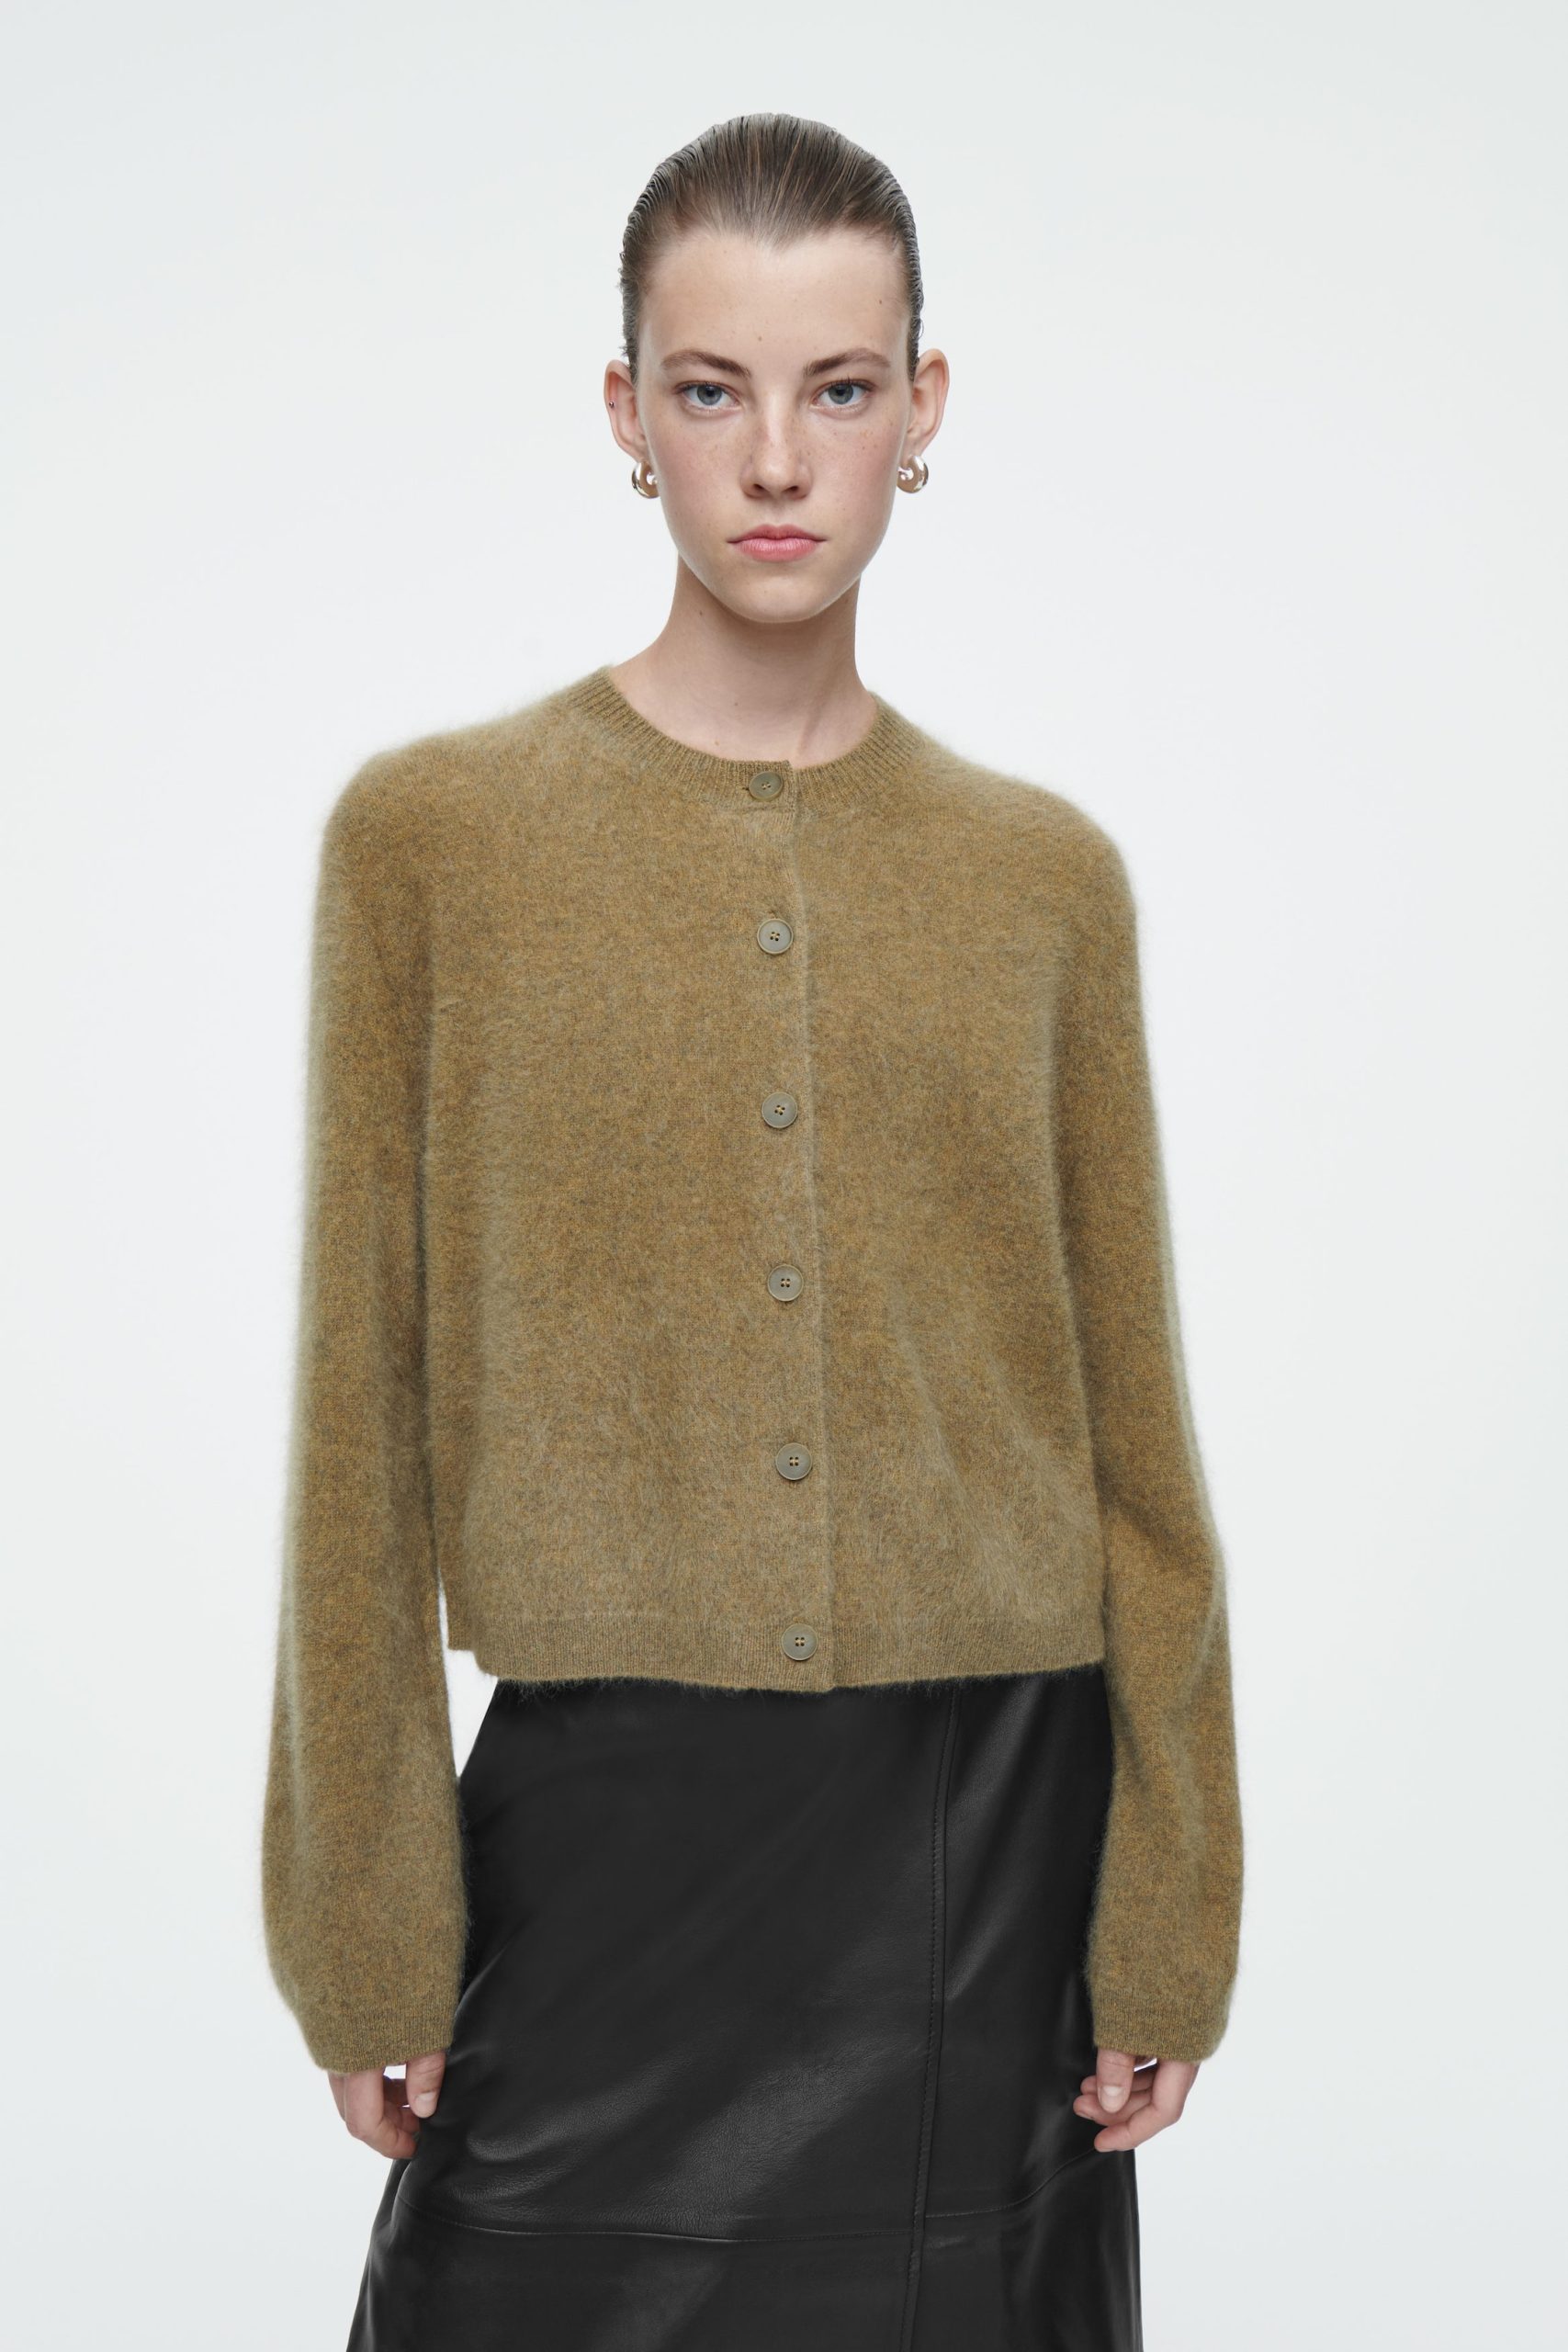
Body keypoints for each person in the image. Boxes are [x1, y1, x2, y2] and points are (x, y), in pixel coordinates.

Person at [261, 109, 1244, 2351]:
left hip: (981, 1846)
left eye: (837, 387)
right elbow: (359, 1421)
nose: (776, 460)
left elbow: (1136, 1445)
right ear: (626, 413)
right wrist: (364, 1919)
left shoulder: (1041, 880)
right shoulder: (429, 843)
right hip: (600, 1833)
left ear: (920, 405)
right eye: (710, 390)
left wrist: (1168, 1901)